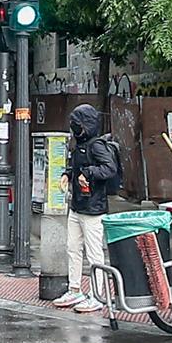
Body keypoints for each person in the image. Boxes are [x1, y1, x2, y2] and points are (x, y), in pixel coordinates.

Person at [57, 104, 121, 314]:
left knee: (94, 253)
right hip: (77, 205)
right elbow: (75, 165)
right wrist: (68, 174)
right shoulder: (79, 144)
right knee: (73, 248)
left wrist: (89, 172)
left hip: (94, 208)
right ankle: (74, 289)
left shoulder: (97, 146)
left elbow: (109, 168)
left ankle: (96, 295)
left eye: (77, 125)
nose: (74, 129)